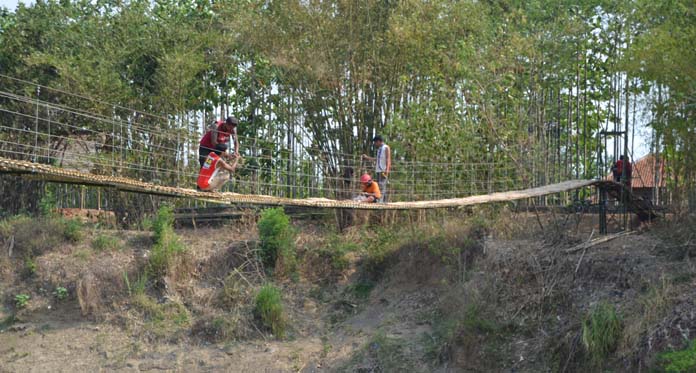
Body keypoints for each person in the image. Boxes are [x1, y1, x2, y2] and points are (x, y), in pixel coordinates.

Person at [361, 135, 391, 201]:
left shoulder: (386, 147)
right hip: (378, 170)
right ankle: (381, 200)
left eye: (375, 142)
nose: (375, 144)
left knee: (382, 185)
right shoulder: (379, 149)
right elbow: (377, 159)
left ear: (379, 141)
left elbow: (388, 159)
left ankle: (381, 202)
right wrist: (367, 157)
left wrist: (387, 170)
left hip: (383, 170)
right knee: (378, 186)